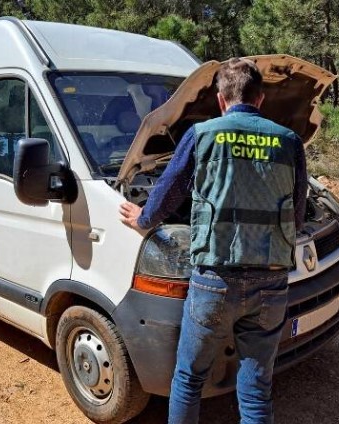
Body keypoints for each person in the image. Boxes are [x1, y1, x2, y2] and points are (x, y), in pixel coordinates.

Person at [119, 58, 308, 424]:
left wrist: (143, 220)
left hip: (214, 282)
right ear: (261, 98)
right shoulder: (289, 141)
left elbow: (169, 191)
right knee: (256, 390)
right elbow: (297, 216)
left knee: (189, 379)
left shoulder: (203, 134)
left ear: (222, 99)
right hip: (271, 281)